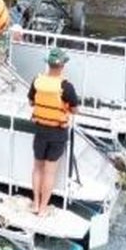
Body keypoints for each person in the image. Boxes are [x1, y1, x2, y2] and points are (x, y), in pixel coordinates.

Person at [28, 47, 80, 216]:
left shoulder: (37, 80)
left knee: (37, 168)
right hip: (58, 133)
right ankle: (43, 209)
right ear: (63, 66)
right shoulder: (66, 86)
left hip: (40, 130)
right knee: (49, 172)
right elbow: (75, 110)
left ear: (48, 65)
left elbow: (31, 102)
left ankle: (35, 204)